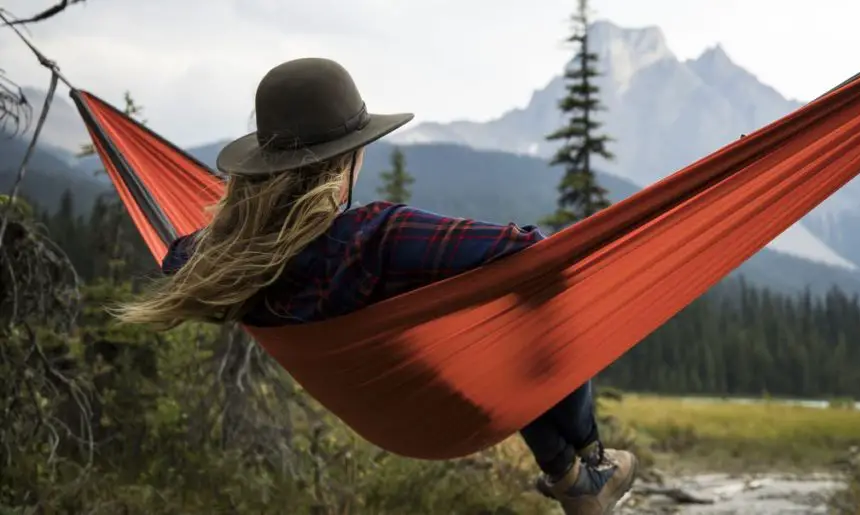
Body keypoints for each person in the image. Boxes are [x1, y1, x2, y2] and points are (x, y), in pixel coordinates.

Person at [116, 57, 637, 514]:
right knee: (543, 295)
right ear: (346, 160)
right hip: (453, 401)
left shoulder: (226, 262)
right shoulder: (375, 237)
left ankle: (573, 479)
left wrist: (238, 219)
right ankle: (586, 460)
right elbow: (529, 252)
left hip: (390, 417)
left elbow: (175, 255)